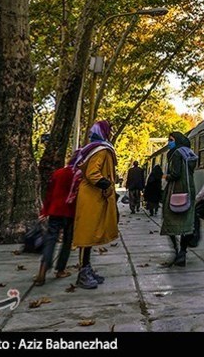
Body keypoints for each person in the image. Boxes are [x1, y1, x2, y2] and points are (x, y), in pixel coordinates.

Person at [71, 120, 119, 289]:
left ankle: (87, 268)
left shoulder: (94, 148)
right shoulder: (101, 150)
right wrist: (106, 185)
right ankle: (83, 274)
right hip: (92, 196)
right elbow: (93, 173)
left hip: (92, 196)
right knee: (86, 235)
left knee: (90, 235)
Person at [34, 158, 77, 286]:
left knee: (50, 240)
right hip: (70, 212)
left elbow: (49, 194)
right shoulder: (78, 176)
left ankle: (43, 268)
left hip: (55, 210)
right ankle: (60, 269)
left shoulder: (58, 173)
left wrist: (44, 211)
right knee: (67, 242)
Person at [160, 132, 198, 267]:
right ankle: (183, 252)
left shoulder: (176, 154)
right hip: (189, 190)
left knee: (169, 220)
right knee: (187, 224)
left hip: (175, 190)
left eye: (171, 140)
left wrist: (166, 177)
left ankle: (177, 252)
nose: (169, 143)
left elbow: (175, 174)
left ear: (177, 141)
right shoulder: (189, 154)